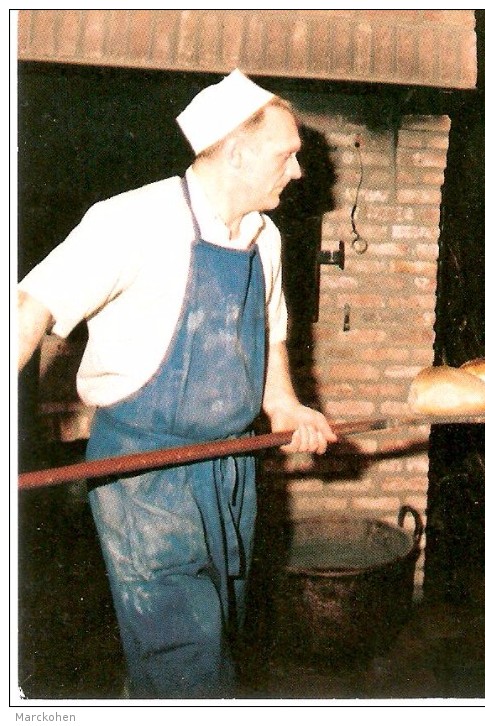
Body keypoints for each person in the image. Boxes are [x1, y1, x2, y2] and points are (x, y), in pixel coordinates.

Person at [17, 70, 338, 698]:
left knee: (222, 629)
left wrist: (284, 403)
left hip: (229, 466)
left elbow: (271, 330)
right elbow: (28, 308)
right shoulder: (132, 221)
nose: (298, 172)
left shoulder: (264, 237)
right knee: (182, 657)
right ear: (238, 154)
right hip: (144, 469)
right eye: (286, 155)